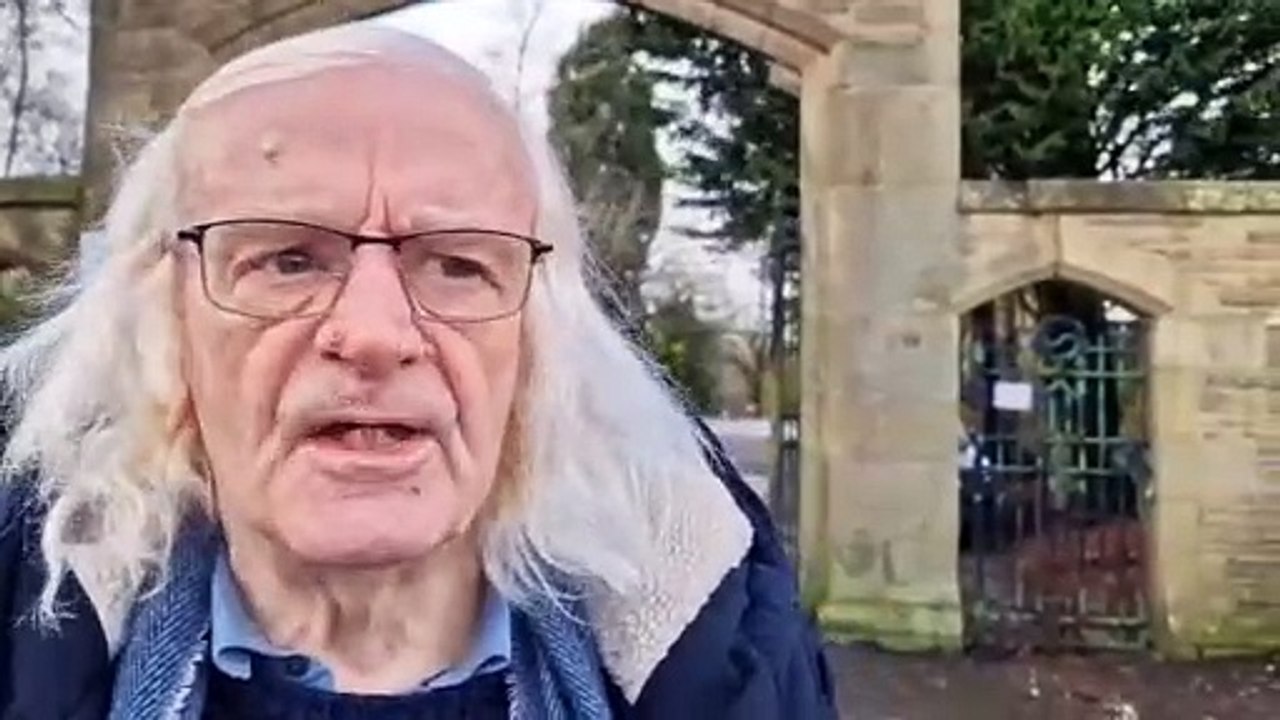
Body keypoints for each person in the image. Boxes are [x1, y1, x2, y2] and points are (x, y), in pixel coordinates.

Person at [0, 24, 835, 720]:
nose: (373, 334)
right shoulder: (27, 616)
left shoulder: (717, 641)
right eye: (288, 259)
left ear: (539, 342)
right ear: (161, 323)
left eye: (458, 266)